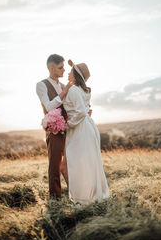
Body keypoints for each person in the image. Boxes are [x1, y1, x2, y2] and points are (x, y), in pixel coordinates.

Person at [63, 60, 109, 205]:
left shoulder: (73, 90)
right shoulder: (84, 90)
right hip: (87, 126)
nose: (68, 73)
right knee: (87, 162)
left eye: (71, 71)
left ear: (76, 75)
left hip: (80, 129)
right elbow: (84, 110)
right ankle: (88, 196)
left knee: (76, 163)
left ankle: (82, 198)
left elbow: (81, 112)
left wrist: (68, 125)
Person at [36, 54, 71, 199]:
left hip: (69, 129)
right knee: (54, 167)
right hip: (54, 130)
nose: (64, 70)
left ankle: (75, 195)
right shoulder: (41, 85)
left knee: (70, 164)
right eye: (60, 67)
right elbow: (49, 106)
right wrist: (64, 93)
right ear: (51, 68)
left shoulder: (63, 85)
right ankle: (55, 200)